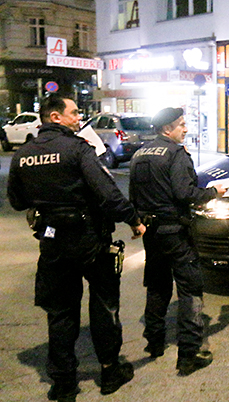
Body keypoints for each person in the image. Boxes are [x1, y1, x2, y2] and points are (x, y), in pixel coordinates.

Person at [7, 95, 146, 401]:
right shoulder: (77, 148)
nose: (78, 117)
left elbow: (17, 201)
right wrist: (133, 220)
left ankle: (63, 383)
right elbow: (108, 194)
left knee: (60, 313)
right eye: (73, 113)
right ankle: (110, 372)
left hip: (52, 242)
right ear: (55, 117)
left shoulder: (24, 154)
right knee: (104, 304)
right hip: (89, 240)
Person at [128, 107, 226, 376]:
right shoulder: (175, 154)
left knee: (158, 286)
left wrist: (137, 222)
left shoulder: (139, 154)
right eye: (181, 125)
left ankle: (155, 343)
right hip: (176, 233)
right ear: (166, 129)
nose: (185, 129)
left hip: (152, 233)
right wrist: (213, 192)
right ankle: (189, 354)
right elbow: (185, 193)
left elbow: (133, 196)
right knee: (190, 289)